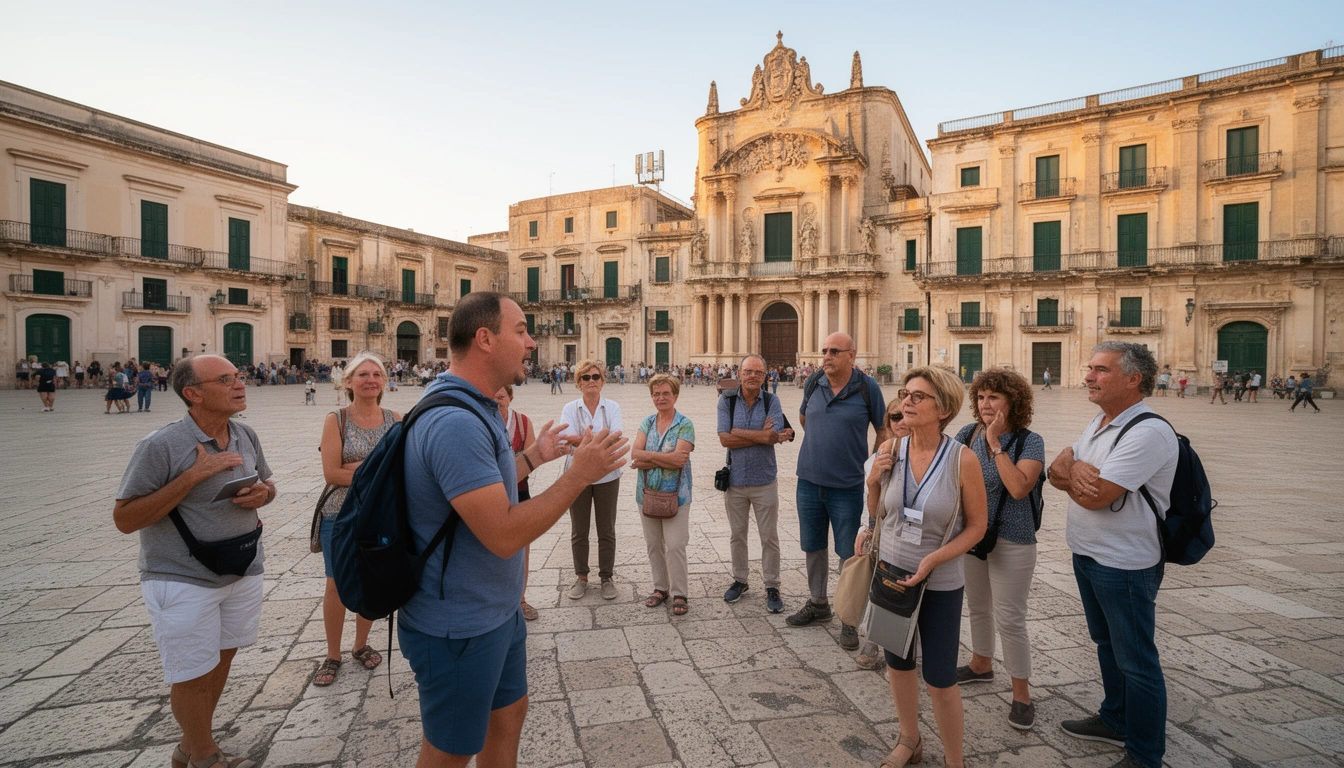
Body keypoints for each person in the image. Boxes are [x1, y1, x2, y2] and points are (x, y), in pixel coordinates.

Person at [399, 292, 627, 767]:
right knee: (450, 752)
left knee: (507, 718)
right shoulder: (455, 422)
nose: (531, 342)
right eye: (521, 331)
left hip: (496, 612)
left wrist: (533, 457)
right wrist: (578, 475)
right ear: (485, 339)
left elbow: (482, 489)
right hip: (459, 624)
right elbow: (503, 534)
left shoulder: (478, 406)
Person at [114, 355, 277, 768]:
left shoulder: (244, 433)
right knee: (192, 671)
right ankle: (205, 755)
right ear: (193, 393)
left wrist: (264, 494)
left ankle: (190, 746)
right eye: (226, 379)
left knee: (220, 659)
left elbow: (267, 484)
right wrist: (192, 476)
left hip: (241, 566)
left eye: (239, 376)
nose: (240, 384)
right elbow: (125, 519)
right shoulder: (160, 445)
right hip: (182, 576)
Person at [1049, 342, 1178, 768]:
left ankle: (1144, 755)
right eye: (1090, 368)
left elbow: (1097, 496)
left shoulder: (1147, 432)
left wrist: (1071, 471)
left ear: (1133, 379)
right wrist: (1072, 469)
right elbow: (1055, 471)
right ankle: (1116, 719)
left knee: (1137, 661)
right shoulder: (1100, 422)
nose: (1088, 376)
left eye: (1101, 370)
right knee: (1106, 644)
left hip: (1124, 564)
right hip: (1088, 554)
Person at [855, 366, 987, 768]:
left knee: (941, 678)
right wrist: (872, 483)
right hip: (892, 575)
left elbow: (977, 527)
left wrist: (934, 559)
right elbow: (880, 512)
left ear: (943, 408)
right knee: (898, 663)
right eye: (905, 394)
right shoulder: (891, 449)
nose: (906, 402)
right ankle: (909, 740)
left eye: (918, 396)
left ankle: (954, 760)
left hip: (939, 581)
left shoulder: (962, 460)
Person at [953, 369, 1045, 730]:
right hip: (974, 536)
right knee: (978, 606)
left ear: (1013, 401)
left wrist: (994, 443)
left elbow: (1019, 487)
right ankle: (981, 664)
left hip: (1013, 539)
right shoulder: (967, 434)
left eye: (994, 397)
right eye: (980, 397)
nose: (985, 404)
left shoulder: (1029, 442)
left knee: (1010, 617)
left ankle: (1021, 694)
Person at [788, 333, 885, 651]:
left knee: (849, 553)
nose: (826, 356)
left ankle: (848, 617)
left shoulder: (867, 387)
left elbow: (882, 428)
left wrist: (873, 466)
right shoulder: (813, 381)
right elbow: (804, 418)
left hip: (847, 485)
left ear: (851, 355)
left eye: (834, 351)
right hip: (808, 481)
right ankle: (818, 603)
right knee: (813, 546)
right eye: (824, 351)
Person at [313, 353, 398, 687]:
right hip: (339, 513)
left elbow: (401, 469)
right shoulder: (336, 420)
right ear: (348, 381)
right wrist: (376, 471)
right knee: (336, 582)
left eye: (377, 374)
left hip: (379, 514)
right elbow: (331, 473)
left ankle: (360, 644)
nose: (370, 379)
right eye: (363, 374)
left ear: (384, 381)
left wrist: (358, 469)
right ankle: (332, 653)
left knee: (371, 578)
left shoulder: (396, 420)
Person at [718, 354, 793, 614]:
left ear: (765, 376)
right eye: (748, 371)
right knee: (737, 535)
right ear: (739, 373)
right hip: (735, 480)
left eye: (758, 373)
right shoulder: (726, 401)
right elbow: (724, 440)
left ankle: (772, 585)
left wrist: (738, 432)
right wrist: (761, 435)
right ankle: (740, 580)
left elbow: (773, 436)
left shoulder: (772, 400)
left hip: (764, 480)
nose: (753, 376)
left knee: (769, 536)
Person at [559, 360, 624, 600]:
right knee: (579, 529)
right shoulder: (570, 408)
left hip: (608, 475)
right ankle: (581, 577)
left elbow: (616, 436)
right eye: (585, 377)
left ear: (602, 380)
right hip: (577, 476)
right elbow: (566, 438)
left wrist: (584, 439)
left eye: (596, 376)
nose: (591, 381)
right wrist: (598, 439)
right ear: (579, 382)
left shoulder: (612, 407)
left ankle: (606, 577)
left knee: (607, 529)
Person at [856, 397, 912, 670]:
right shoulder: (876, 458)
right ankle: (873, 639)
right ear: (888, 423)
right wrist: (865, 529)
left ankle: (905, 647)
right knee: (879, 586)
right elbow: (870, 500)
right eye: (895, 417)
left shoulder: (930, 457)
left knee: (907, 591)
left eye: (905, 415)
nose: (901, 421)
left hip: (914, 535)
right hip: (884, 532)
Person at [633, 374, 696, 615]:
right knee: (653, 545)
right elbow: (634, 454)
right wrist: (664, 459)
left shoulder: (684, 424)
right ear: (652, 397)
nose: (661, 398)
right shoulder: (646, 423)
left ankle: (680, 592)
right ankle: (660, 588)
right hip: (647, 494)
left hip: (676, 496)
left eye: (666, 393)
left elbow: (680, 460)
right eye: (656, 394)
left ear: (675, 395)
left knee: (676, 545)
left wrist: (647, 459)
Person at [495, 384, 540, 621]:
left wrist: (504, 470)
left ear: (510, 398)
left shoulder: (522, 423)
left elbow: (533, 458)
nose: (497, 401)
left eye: (501, 396)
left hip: (519, 492)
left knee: (522, 549)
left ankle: (520, 599)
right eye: (493, 396)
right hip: (490, 497)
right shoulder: (479, 422)